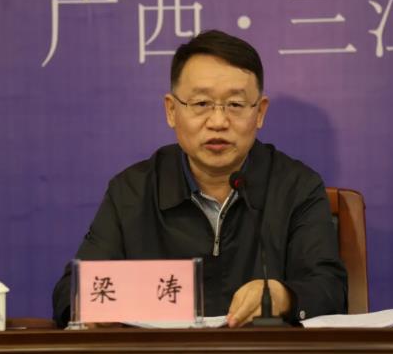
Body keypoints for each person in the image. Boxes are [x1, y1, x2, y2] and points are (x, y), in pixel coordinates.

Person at [52, 30, 347, 328]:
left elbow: (330, 290)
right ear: (171, 110)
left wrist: (284, 297)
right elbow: (70, 293)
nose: (218, 122)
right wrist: (94, 309)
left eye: (235, 104)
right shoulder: (132, 192)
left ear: (259, 113)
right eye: (202, 103)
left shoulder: (296, 187)